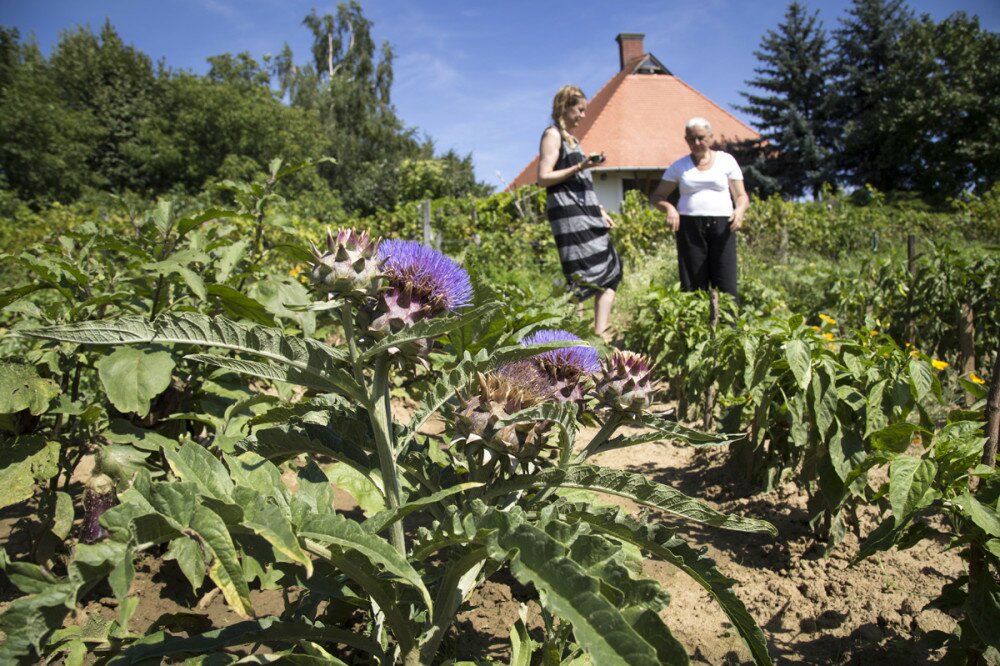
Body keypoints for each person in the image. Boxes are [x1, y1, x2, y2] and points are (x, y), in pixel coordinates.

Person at [537, 85, 622, 339]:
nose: (583, 115)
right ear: (565, 107)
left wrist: (600, 210)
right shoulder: (553, 135)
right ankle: (581, 341)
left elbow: (583, 184)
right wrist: (579, 166)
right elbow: (543, 177)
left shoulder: (574, 140)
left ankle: (600, 335)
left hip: (587, 214)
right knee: (581, 278)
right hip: (569, 217)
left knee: (611, 272)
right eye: (580, 109)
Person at [649, 117, 749, 300]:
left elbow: (741, 196)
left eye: (701, 138)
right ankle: (695, 325)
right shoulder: (680, 166)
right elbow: (656, 197)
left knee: (726, 282)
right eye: (691, 139)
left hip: (723, 226)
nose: (696, 143)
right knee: (693, 284)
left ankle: (729, 327)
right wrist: (670, 209)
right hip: (690, 228)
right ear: (686, 139)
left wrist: (740, 211)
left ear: (710, 137)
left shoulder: (726, 161)